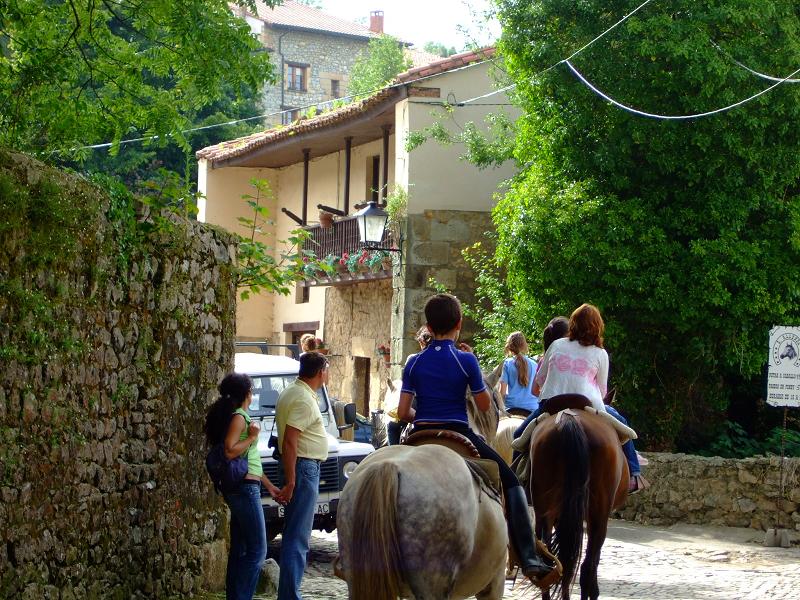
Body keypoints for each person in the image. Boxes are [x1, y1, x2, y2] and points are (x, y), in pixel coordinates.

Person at [398, 294, 553, 581]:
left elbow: (402, 411)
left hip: (419, 432)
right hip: (459, 433)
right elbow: (484, 406)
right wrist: (474, 373)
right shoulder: (465, 359)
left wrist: (421, 418)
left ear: (428, 327)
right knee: (511, 481)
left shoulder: (414, 362)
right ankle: (529, 558)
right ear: (459, 323)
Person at [515, 307, 647, 493]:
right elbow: (602, 391)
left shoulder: (557, 344)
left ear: (573, 325)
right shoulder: (601, 353)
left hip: (551, 405)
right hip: (587, 406)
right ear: (598, 327)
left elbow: (540, 379)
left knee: (518, 436)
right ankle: (634, 474)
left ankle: (516, 481)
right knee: (623, 427)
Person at [204, 373, 281, 600]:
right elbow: (230, 450)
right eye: (252, 389)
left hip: (247, 485)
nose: (254, 393)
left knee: (240, 550)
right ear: (247, 393)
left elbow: (250, 461)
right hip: (245, 489)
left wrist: (270, 486)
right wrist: (252, 436)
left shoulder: (239, 416)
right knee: (258, 550)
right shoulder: (240, 418)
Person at [275, 352, 330, 600]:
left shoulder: (292, 392)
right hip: (304, 467)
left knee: (294, 534)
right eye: (327, 369)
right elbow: (290, 440)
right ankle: (289, 595)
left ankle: (288, 593)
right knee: (298, 537)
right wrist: (292, 480)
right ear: (321, 372)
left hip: (301, 466)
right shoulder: (304, 400)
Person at [387, 326, 432, 445]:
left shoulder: (413, 359)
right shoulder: (455, 358)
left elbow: (407, 384)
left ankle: (394, 450)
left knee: (392, 427)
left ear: (421, 341)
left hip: (419, 404)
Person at [499, 331, 540, 417]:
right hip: (532, 408)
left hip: (512, 407)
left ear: (510, 346)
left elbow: (502, 392)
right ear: (524, 345)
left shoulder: (507, 364)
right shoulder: (534, 364)